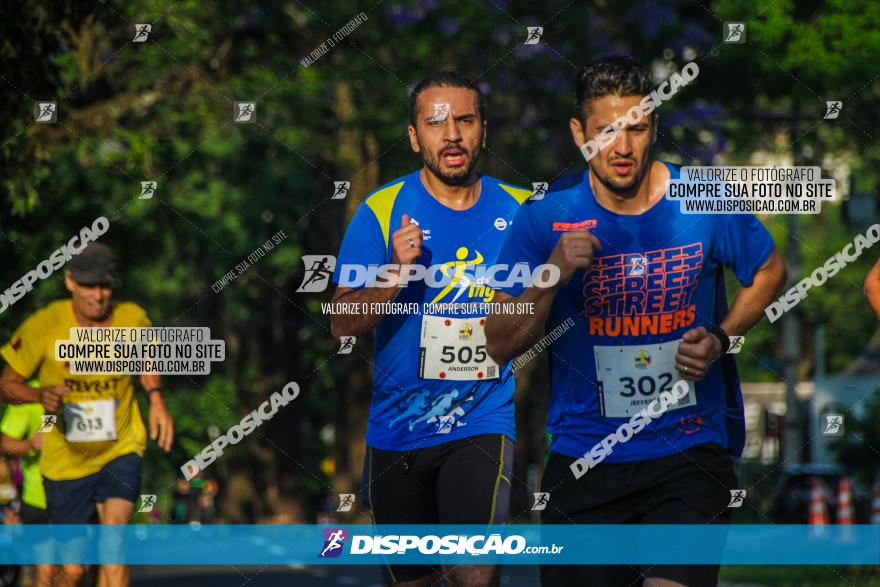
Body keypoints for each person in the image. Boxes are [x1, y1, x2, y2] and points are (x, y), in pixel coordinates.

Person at [485, 55, 787, 587]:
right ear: (580, 134)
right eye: (605, 132)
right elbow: (498, 343)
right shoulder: (542, 218)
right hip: (584, 458)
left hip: (688, 452)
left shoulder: (705, 196)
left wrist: (720, 338)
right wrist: (551, 273)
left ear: (654, 128)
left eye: (637, 129)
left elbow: (768, 270)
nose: (622, 148)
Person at [329, 71, 532, 586]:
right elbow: (340, 323)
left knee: (474, 574)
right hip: (397, 430)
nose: (453, 135)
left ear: (483, 129)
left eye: (465, 120)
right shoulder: (380, 210)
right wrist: (394, 274)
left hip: (481, 421)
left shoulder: (524, 209)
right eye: (437, 122)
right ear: (416, 135)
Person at [0, 243, 174, 587]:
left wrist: (156, 398)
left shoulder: (132, 318)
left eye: (105, 285)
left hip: (120, 447)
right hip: (65, 462)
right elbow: (6, 385)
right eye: (89, 285)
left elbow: (148, 362)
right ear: (69, 282)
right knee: (75, 569)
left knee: (113, 543)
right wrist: (38, 395)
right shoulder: (43, 326)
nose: (98, 295)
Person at [0, 400, 54, 586]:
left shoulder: (80, 388)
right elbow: (6, 444)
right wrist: (31, 443)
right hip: (36, 497)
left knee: (75, 568)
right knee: (46, 569)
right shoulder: (26, 394)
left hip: (80, 493)